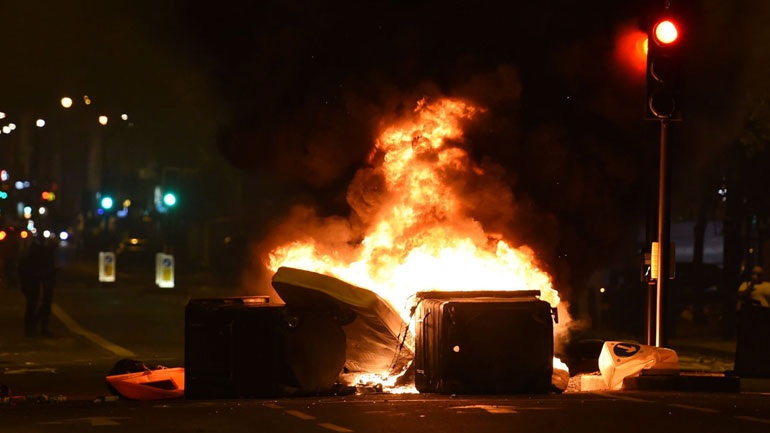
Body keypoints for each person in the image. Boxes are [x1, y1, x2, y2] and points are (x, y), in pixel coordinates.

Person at [17, 237, 58, 337]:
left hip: (34, 282)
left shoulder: (39, 254)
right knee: (36, 305)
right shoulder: (43, 255)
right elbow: (44, 270)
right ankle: (35, 327)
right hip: (35, 282)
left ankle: (34, 328)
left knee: (34, 305)